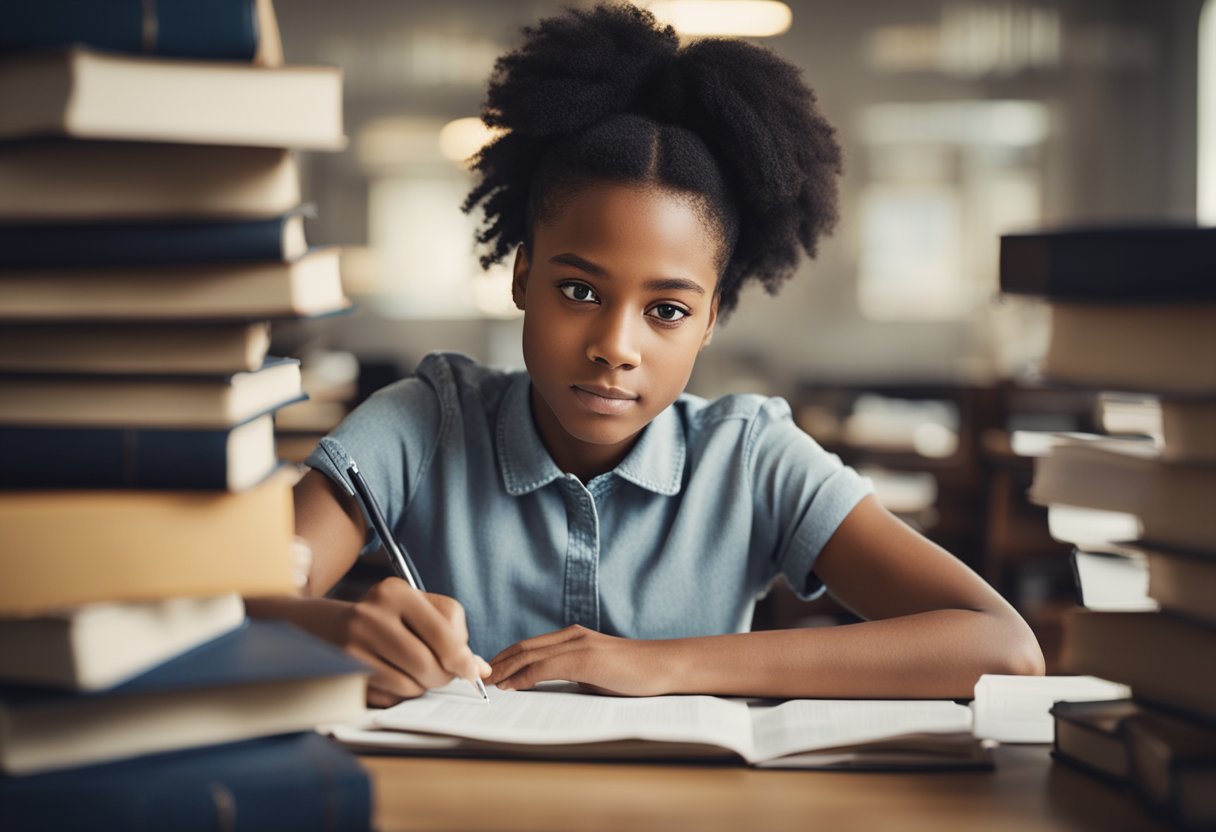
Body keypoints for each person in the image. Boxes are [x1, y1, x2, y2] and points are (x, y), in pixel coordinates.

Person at [247, 3, 1044, 706]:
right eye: (581, 291)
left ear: (712, 319)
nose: (613, 347)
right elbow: (237, 595)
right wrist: (336, 627)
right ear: (522, 275)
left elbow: (1002, 647)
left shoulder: (750, 457)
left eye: (666, 310)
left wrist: (662, 665)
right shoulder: (423, 424)